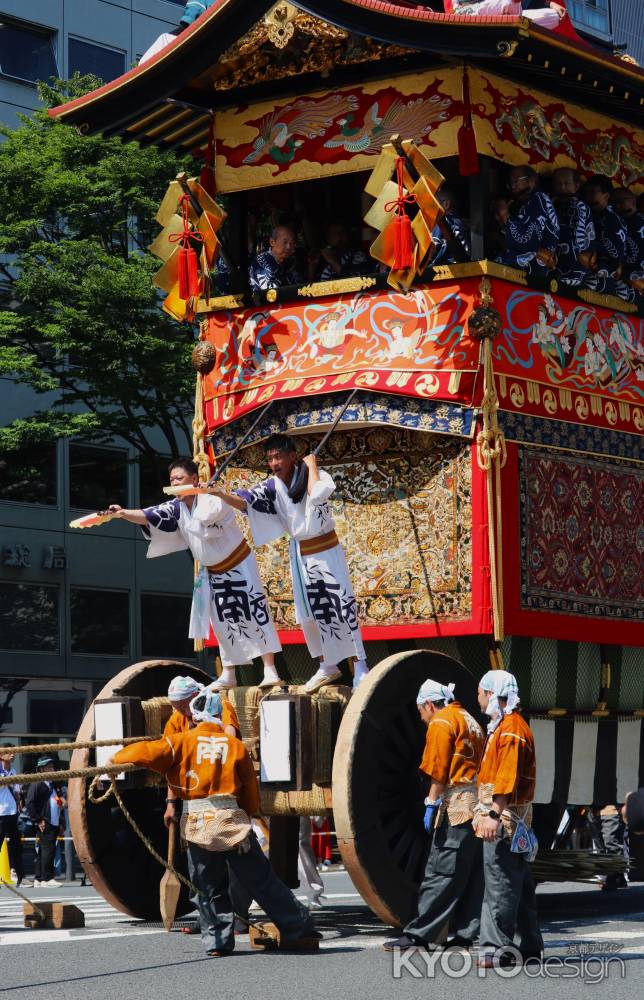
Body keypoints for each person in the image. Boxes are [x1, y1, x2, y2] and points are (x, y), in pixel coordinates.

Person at [110, 689, 316, 956]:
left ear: (195, 716)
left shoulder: (181, 741)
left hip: (199, 823)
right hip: (233, 823)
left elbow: (147, 752)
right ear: (219, 716)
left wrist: (116, 758)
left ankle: (218, 942)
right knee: (262, 880)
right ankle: (297, 926)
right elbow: (250, 795)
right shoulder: (235, 747)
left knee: (208, 886)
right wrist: (250, 814)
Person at [210, 434, 369, 693]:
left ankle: (360, 665)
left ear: (292, 456)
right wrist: (221, 495)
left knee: (340, 605)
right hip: (300, 555)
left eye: (279, 456)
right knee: (308, 613)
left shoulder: (315, 475)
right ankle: (326, 664)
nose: (274, 462)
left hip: (325, 549)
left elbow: (319, 495)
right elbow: (246, 502)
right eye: (270, 458)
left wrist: (313, 464)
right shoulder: (273, 486)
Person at [107, 458, 282, 692]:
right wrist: (122, 513)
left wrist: (202, 493)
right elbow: (149, 514)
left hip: (239, 565)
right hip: (214, 572)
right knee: (222, 622)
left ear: (194, 479)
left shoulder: (212, 500)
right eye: (172, 480)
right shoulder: (177, 507)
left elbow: (206, 518)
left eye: (179, 478)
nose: (175, 483)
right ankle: (229, 673)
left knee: (254, 612)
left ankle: (270, 670)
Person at [383, 679, 485, 953]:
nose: (422, 719)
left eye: (420, 712)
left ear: (429, 704)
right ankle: (465, 934)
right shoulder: (468, 718)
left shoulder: (442, 722)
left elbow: (438, 770)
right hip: (478, 803)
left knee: (442, 870)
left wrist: (430, 801)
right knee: (471, 873)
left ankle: (421, 935)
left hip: (458, 805)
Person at [474, 670, 543, 968]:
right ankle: (529, 945)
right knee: (520, 884)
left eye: (479, 692)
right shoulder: (506, 725)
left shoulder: (511, 729)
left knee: (500, 882)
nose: (477, 697)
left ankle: (497, 948)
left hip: (505, 818)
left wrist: (493, 814)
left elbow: (507, 777)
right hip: (513, 817)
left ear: (491, 694)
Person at [497, 166, 559, 278]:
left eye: (516, 181)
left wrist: (505, 214)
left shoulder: (538, 199)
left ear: (530, 181)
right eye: (510, 182)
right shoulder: (531, 201)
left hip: (531, 265)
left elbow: (527, 237)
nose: (512, 186)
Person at [583, 175, 634, 302]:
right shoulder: (590, 213)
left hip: (608, 268)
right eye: (586, 193)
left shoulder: (612, 218)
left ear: (606, 196)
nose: (588, 197)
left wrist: (600, 265)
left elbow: (616, 252)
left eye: (592, 193)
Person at [551, 167, 595, 288]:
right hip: (553, 263)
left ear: (576, 186)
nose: (562, 187)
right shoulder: (552, 203)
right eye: (558, 184)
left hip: (575, 264)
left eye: (566, 183)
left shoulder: (581, 207)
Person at [25, 757, 63, 888]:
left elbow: (57, 801)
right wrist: (38, 820)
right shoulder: (37, 783)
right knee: (48, 850)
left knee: (43, 851)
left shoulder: (52, 784)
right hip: (44, 822)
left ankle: (39, 878)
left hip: (53, 821)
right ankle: (47, 878)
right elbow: (29, 803)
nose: (52, 769)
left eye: (52, 766)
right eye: (49, 767)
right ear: (41, 769)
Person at [0, 745, 28, 887]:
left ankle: (20, 874)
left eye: (13, 752)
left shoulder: (13, 771)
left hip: (12, 812)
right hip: (1, 813)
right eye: (8, 752)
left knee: (17, 844)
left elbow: (16, 791)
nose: (12, 754)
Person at [249, 226, 303, 293]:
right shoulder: (265, 264)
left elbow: (300, 288)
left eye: (292, 244)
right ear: (272, 242)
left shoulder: (288, 262)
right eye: (285, 242)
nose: (289, 247)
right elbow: (271, 295)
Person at [611, 187, 644, 290]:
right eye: (614, 203)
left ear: (633, 200)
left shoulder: (640, 219)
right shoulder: (616, 222)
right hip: (627, 272)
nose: (617, 205)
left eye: (621, 201)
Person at [449, 0, 566, 28]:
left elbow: (528, 3)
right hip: (470, 12)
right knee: (509, 2)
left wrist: (550, 4)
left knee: (552, 16)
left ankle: (509, 22)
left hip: (510, 16)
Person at [429, 188, 471, 267]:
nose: (431, 208)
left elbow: (431, 253)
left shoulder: (442, 223)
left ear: (446, 204)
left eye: (433, 204)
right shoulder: (460, 223)